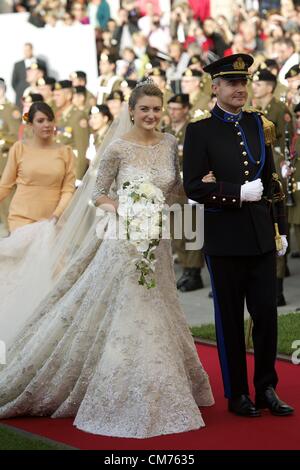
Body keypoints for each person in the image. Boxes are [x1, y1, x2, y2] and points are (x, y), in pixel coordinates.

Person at [0, 81, 214, 438]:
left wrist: (200, 185)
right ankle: (130, 383)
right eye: (144, 109)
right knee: (131, 309)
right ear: (131, 111)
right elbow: (98, 192)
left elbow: (173, 187)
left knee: (160, 305)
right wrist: (122, 209)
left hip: (157, 243)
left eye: (156, 109)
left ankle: (164, 381)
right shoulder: (117, 147)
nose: (151, 115)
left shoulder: (169, 143)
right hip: (123, 241)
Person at [183, 54, 294, 418]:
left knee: (266, 316)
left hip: (261, 236)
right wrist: (235, 193)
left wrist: (279, 228)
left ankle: (266, 387)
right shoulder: (200, 131)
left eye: (243, 82)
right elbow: (194, 186)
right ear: (215, 87)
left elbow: (274, 182)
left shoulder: (257, 124)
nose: (240, 89)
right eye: (232, 83)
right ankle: (237, 393)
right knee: (229, 320)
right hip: (225, 237)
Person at [0, 102, 75, 232]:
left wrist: (57, 214)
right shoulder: (19, 148)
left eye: (50, 120)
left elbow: (68, 190)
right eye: (40, 121)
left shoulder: (66, 152)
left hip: (53, 221)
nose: (46, 125)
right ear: (30, 125)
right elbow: (5, 186)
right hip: (21, 219)